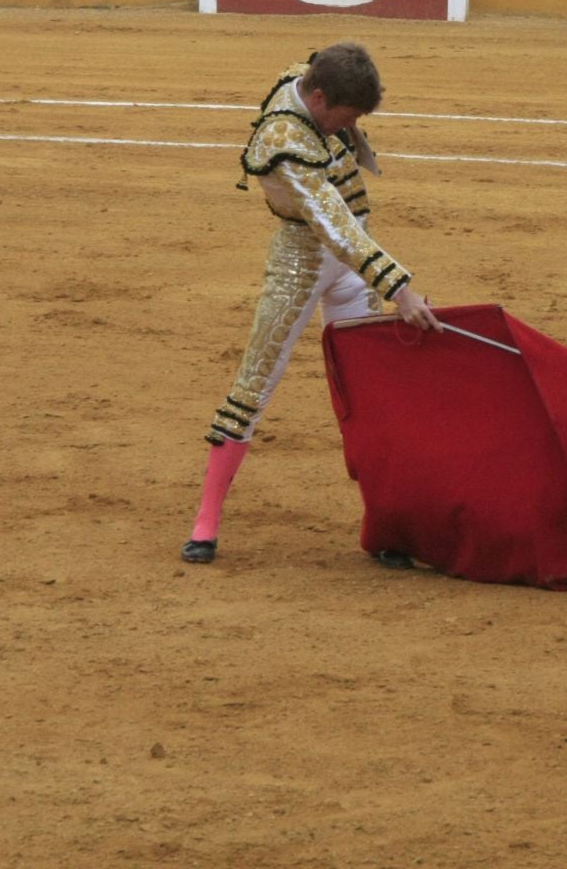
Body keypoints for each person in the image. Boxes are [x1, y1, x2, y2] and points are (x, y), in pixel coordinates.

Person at [182, 44, 438, 566]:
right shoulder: (283, 143)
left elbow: (349, 230)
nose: (352, 126)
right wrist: (400, 290)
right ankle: (205, 523)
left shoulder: (309, 76)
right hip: (303, 260)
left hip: (351, 264)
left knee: (369, 395)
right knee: (254, 383)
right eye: (347, 117)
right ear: (319, 99)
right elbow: (334, 228)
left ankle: (384, 524)